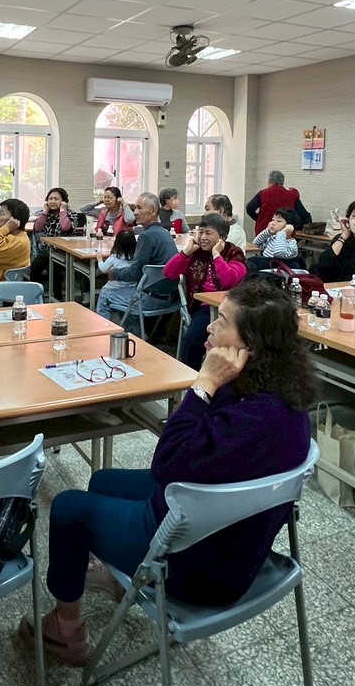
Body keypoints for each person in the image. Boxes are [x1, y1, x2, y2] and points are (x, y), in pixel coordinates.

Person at [21, 279, 315, 664]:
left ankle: (65, 631)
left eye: (223, 321)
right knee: (103, 480)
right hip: (232, 539)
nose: (210, 327)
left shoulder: (251, 420)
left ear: (251, 347)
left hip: (200, 569)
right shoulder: (279, 397)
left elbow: (167, 460)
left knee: (67, 508)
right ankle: (117, 577)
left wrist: (205, 381)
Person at [166, 214, 248, 369]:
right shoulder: (196, 253)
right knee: (193, 339)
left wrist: (217, 255)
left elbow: (229, 281)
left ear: (222, 237)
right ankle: (190, 375)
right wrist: (185, 253)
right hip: (203, 306)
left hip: (231, 307)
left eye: (208, 233)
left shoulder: (234, 253)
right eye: (200, 232)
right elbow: (169, 273)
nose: (202, 237)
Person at [95, 193, 175, 325]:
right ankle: (134, 330)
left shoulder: (146, 237)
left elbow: (134, 273)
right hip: (168, 297)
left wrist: (114, 273)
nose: (135, 212)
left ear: (153, 210)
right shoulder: (165, 234)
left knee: (106, 293)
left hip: (148, 299)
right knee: (125, 293)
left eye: (139, 208)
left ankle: (103, 332)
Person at [30, 187, 84, 282]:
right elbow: (37, 228)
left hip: (62, 251)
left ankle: (56, 292)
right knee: (35, 268)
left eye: (56, 199)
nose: (52, 201)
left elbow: (65, 227)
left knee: (53, 270)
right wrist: (45, 212)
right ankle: (36, 290)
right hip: (46, 249)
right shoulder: (45, 213)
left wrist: (62, 210)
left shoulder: (71, 214)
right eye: (50, 199)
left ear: (63, 201)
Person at [246, 170, 309, 235]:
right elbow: (302, 214)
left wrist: (259, 219)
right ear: (282, 182)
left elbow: (249, 208)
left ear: (269, 181)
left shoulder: (262, 193)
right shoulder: (292, 195)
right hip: (285, 232)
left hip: (264, 231)